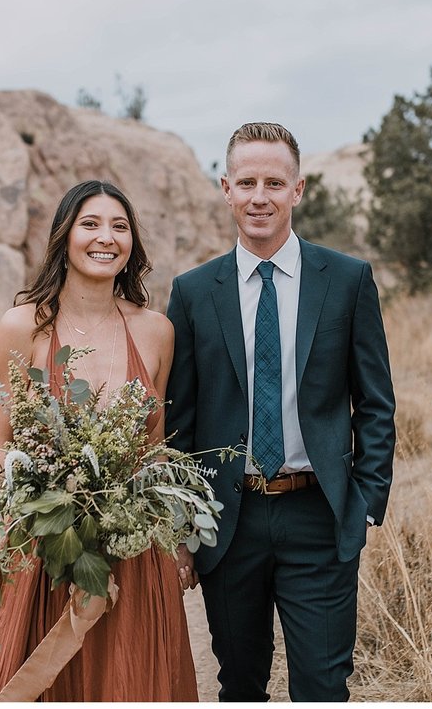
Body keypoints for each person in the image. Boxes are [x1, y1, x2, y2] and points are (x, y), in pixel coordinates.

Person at [165, 122, 396, 701]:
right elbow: (180, 420)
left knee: (321, 686)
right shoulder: (193, 292)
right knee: (241, 684)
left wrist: (365, 500)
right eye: (247, 182)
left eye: (274, 182)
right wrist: (183, 526)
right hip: (228, 520)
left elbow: (375, 401)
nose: (259, 196)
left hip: (319, 513)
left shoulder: (346, 280)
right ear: (225, 189)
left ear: (298, 189)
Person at [0, 180, 199, 702]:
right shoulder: (21, 327)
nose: (105, 237)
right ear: (64, 236)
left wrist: (176, 538)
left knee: (132, 678)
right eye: (90, 224)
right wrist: (49, 514)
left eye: (120, 227)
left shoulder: (156, 331)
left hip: (135, 551)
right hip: (45, 549)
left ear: (132, 243)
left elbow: (155, 446)